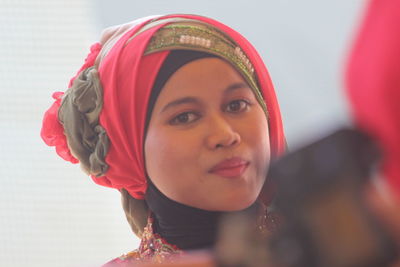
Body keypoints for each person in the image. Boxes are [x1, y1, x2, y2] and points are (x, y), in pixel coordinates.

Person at [40, 14, 286, 264]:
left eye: (237, 105)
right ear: (129, 147)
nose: (224, 135)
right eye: (185, 117)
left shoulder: (322, 243)